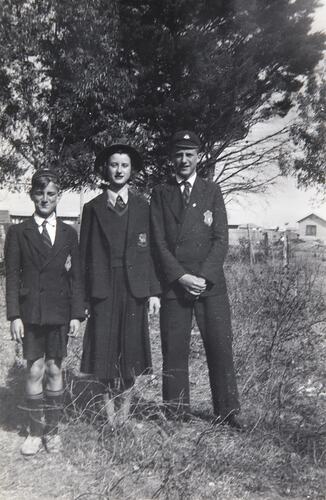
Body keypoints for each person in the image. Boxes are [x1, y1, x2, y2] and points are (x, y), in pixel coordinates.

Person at [150, 130, 241, 428]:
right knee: (174, 349)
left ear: (198, 156)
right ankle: (176, 413)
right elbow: (158, 242)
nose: (184, 159)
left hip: (209, 285)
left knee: (219, 347)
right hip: (176, 286)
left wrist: (202, 277)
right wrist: (181, 276)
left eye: (189, 154)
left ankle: (227, 412)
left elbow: (220, 239)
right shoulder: (160, 193)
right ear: (171, 158)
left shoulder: (211, 191)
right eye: (178, 154)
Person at [80, 139, 160, 424]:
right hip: (103, 289)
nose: (118, 170)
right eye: (113, 165)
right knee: (104, 354)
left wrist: (153, 292)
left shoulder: (142, 207)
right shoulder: (92, 208)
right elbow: (84, 256)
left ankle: (124, 415)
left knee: (130, 355)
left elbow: (150, 252)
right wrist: (84, 300)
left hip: (133, 288)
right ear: (106, 168)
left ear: (132, 170)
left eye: (124, 165)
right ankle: (109, 415)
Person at [5, 169, 84, 456]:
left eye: (51, 193)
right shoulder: (17, 232)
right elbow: (12, 275)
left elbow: (76, 276)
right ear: (31, 196)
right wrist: (14, 315)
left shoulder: (68, 233)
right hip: (31, 312)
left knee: (54, 368)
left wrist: (76, 314)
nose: (45, 199)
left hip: (59, 312)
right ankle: (35, 431)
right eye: (39, 193)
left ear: (58, 196)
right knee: (34, 368)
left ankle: (53, 429)